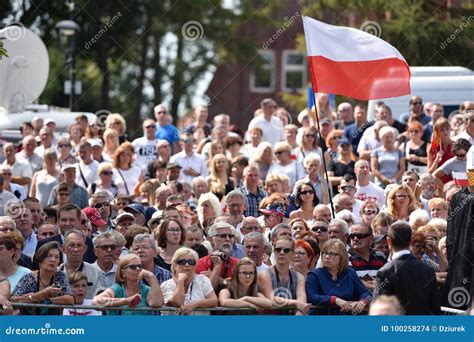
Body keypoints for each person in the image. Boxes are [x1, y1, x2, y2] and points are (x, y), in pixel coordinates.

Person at [375, 221, 440, 315]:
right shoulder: (428, 270)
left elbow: (380, 312)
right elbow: (435, 309)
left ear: (389, 241)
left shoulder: (385, 272)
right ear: (410, 242)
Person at [306, 239, 370, 315]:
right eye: (324, 253)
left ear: (342, 256)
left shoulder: (349, 272)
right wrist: (334, 300)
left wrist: (362, 302)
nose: (326, 257)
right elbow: (311, 297)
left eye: (332, 254)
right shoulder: (315, 274)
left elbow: (365, 292)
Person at [12, 241, 74, 315]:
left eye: (57, 257)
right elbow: (14, 301)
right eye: (49, 256)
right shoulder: (29, 278)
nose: (53, 260)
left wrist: (47, 300)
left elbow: (70, 299)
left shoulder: (60, 276)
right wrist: (42, 294)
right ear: (40, 259)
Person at [93, 253, 163, 315]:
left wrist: (151, 276)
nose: (138, 269)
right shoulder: (117, 288)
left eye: (140, 266)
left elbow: (156, 303)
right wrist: (126, 301)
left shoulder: (145, 290)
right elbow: (96, 301)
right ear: (123, 272)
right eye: (133, 267)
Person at [259, 237, 310, 315]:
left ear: (293, 254)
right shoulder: (265, 274)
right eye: (278, 250)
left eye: (286, 250)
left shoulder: (299, 277)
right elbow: (270, 299)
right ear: (274, 252)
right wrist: (295, 303)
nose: (281, 253)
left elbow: (302, 301)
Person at [160, 247, 218, 315]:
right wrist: (180, 282)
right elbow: (178, 303)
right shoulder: (167, 285)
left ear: (195, 265)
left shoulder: (202, 280)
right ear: (175, 265)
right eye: (182, 262)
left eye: (191, 262)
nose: (187, 265)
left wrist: (195, 304)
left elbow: (214, 301)